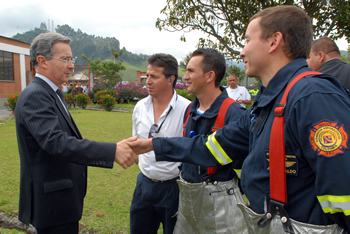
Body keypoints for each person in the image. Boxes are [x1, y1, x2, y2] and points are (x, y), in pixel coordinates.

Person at [128, 5, 350, 232]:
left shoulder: (312, 96)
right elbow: (212, 147)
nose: (242, 52)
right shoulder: (268, 102)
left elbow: (343, 189)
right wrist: (153, 144)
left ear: (274, 41)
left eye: (247, 40)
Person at [15, 32, 138, 233]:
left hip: (62, 200)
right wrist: (111, 151)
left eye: (72, 59)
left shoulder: (53, 93)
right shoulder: (35, 95)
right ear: (42, 61)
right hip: (52, 204)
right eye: (65, 59)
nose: (71, 65)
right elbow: (56, 142)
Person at [173, 48, 246, 233]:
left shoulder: (234, 113)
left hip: (222, 206)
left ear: (209, 76)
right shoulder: (191, 109)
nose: (185, 76)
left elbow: (244, 167)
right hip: (188, 202)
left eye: (190, 71)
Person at [130, 54, 191, 234]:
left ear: (171, 79)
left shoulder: (187, 109)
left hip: (174, 188)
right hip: (144, 184)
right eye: (147, 76)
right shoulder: (140, 106)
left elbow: (189, 148)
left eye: (154, 77)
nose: (148, 81)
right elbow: (136, 140)